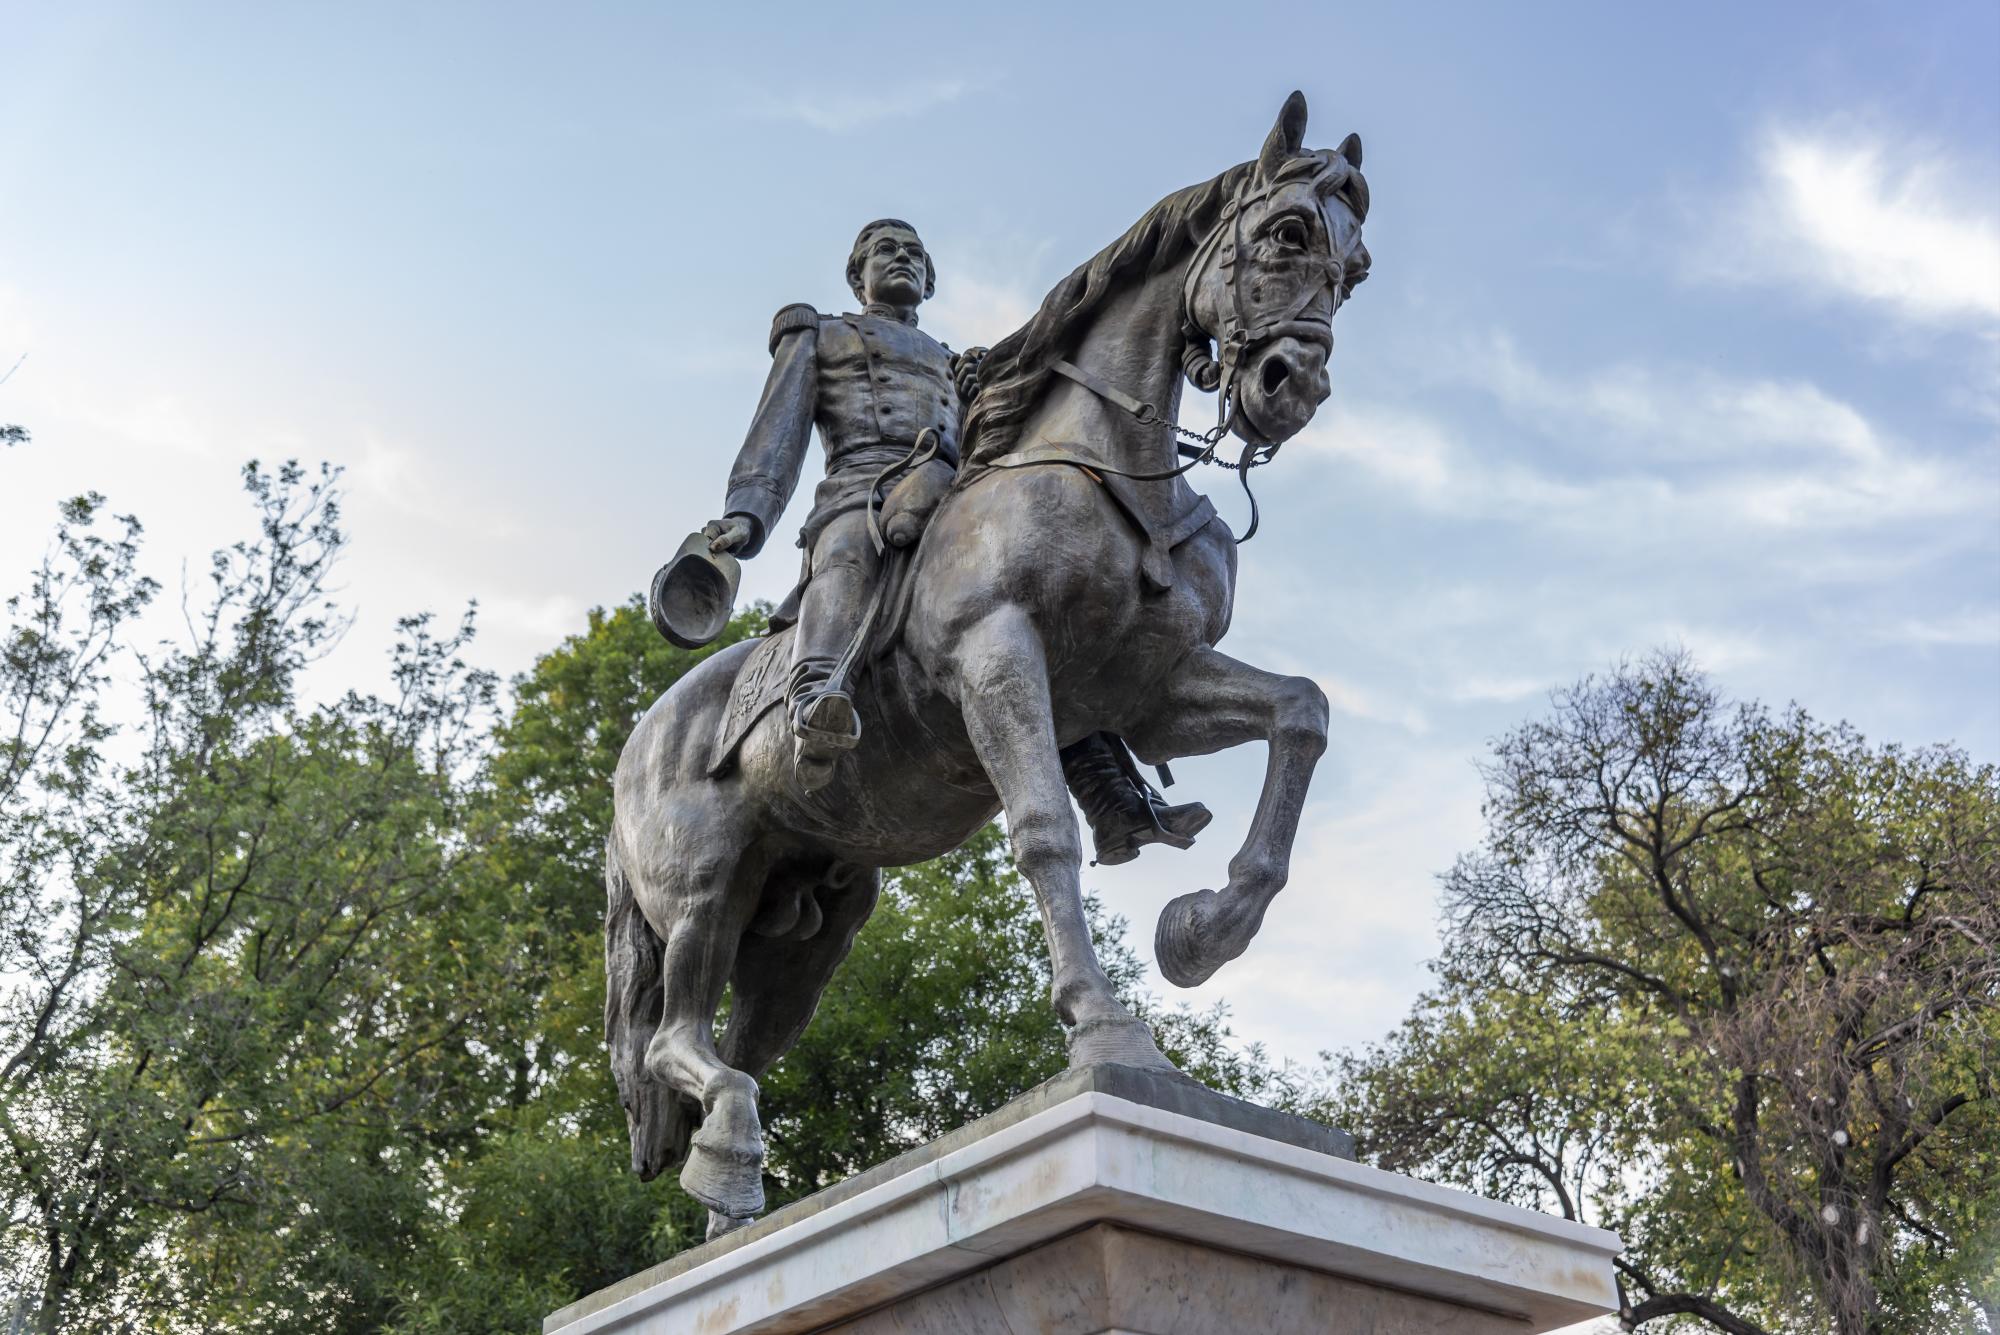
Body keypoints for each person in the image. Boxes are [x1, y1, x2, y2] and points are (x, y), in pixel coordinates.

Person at [702, 219, 1207, 862]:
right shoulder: (821, 333)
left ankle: (1111, 795)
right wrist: (745, 518)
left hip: (951, 496)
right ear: (858, 275)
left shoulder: (953, 360)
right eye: (887, 250)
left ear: (930, 281)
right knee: (848, 552)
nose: (903, 259)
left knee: (1035, 605)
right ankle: (815, 699)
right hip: (865, 488)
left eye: (916, 254)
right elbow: (775, 438)